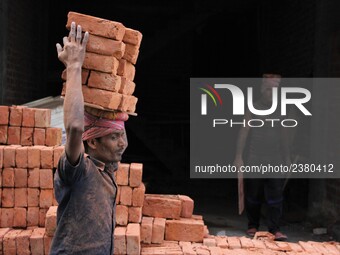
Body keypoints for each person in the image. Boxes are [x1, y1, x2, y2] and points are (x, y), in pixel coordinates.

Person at [50, 22, 128, 255]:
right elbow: (75, 127)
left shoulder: (108, 172)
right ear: (92, 142)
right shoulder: (77, 170)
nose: (122, 143)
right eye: (114, 137)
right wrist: (74, 65)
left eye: (122, 135)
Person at [233, 74, 290, 241]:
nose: (271, 93)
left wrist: (286, 158)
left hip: (275, 158)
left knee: (276, 196)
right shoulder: (253, 107)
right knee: (253, 195)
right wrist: (238, 156)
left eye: (275, 89)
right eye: (268, 89)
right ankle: (253, 225)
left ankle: (275, 229)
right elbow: (243, 132)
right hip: (255, 157)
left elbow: (284, 136)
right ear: (262, 89)